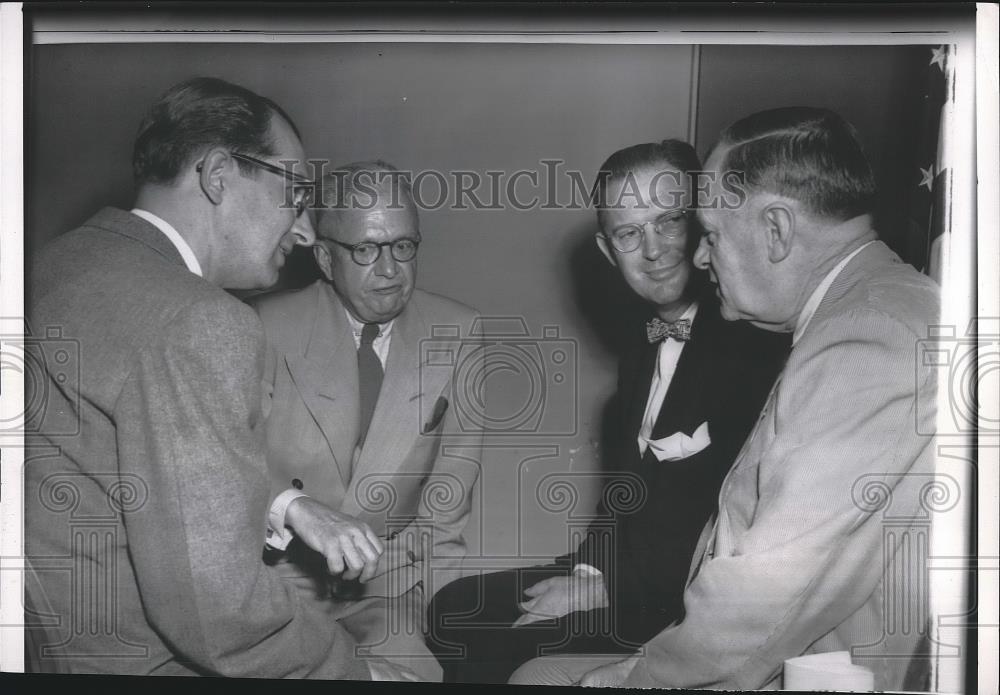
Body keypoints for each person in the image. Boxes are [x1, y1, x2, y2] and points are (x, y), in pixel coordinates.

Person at [511, 107, 939, 690]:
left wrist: (633, 676)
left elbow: (762, 602)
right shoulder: (872, 306)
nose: (700, 257)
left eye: (708, 233)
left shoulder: (865, 336)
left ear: (777, 230)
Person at [24, 77, 411, 680]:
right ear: (219, 174)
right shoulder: (202, 321)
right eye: (296, 193)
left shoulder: (52, 266)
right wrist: (359, 673)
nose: (306, 230)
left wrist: (285, 501)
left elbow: (108, 467)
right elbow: (223, 620)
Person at [426, 141, 790, 684]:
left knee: (500, 650)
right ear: (607, 249)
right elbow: (625, 495)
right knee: (453, 608)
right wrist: (588, 569)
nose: (654, 250)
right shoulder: (640, 344)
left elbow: (743, 540)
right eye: (629, 233)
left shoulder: (754, 341)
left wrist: (601, 589)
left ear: (704, 225)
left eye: (669, 221)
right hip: (623, 573)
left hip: (685, 601)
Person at [252, 162, 483, 682]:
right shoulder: (262, 324)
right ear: (325, 257)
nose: (390, 270)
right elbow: (222, 470)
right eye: (365, 250)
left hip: (384, 593)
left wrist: (436, 619)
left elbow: (448, 507)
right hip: (274, 587)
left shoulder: (460, 332)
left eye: (404, 246)